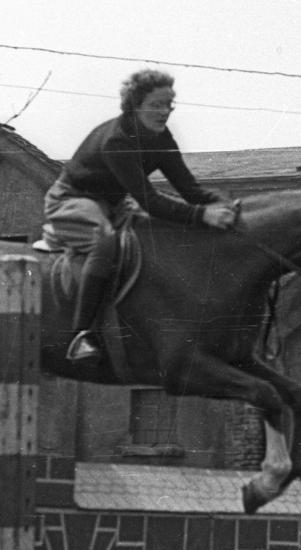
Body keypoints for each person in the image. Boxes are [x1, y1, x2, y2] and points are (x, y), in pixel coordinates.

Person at [43, 69, 237, 363]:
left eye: (169, 104)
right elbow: (152, 202)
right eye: (156, 105)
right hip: (72, 200)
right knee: (104, 240)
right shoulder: (117, 141)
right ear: (136, 105)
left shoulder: (162, 137)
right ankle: (82, 335)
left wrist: (228, 206)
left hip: (114, 203)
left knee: (154, 234)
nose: (164, 112)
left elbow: (190, 190)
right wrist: (202, 216)